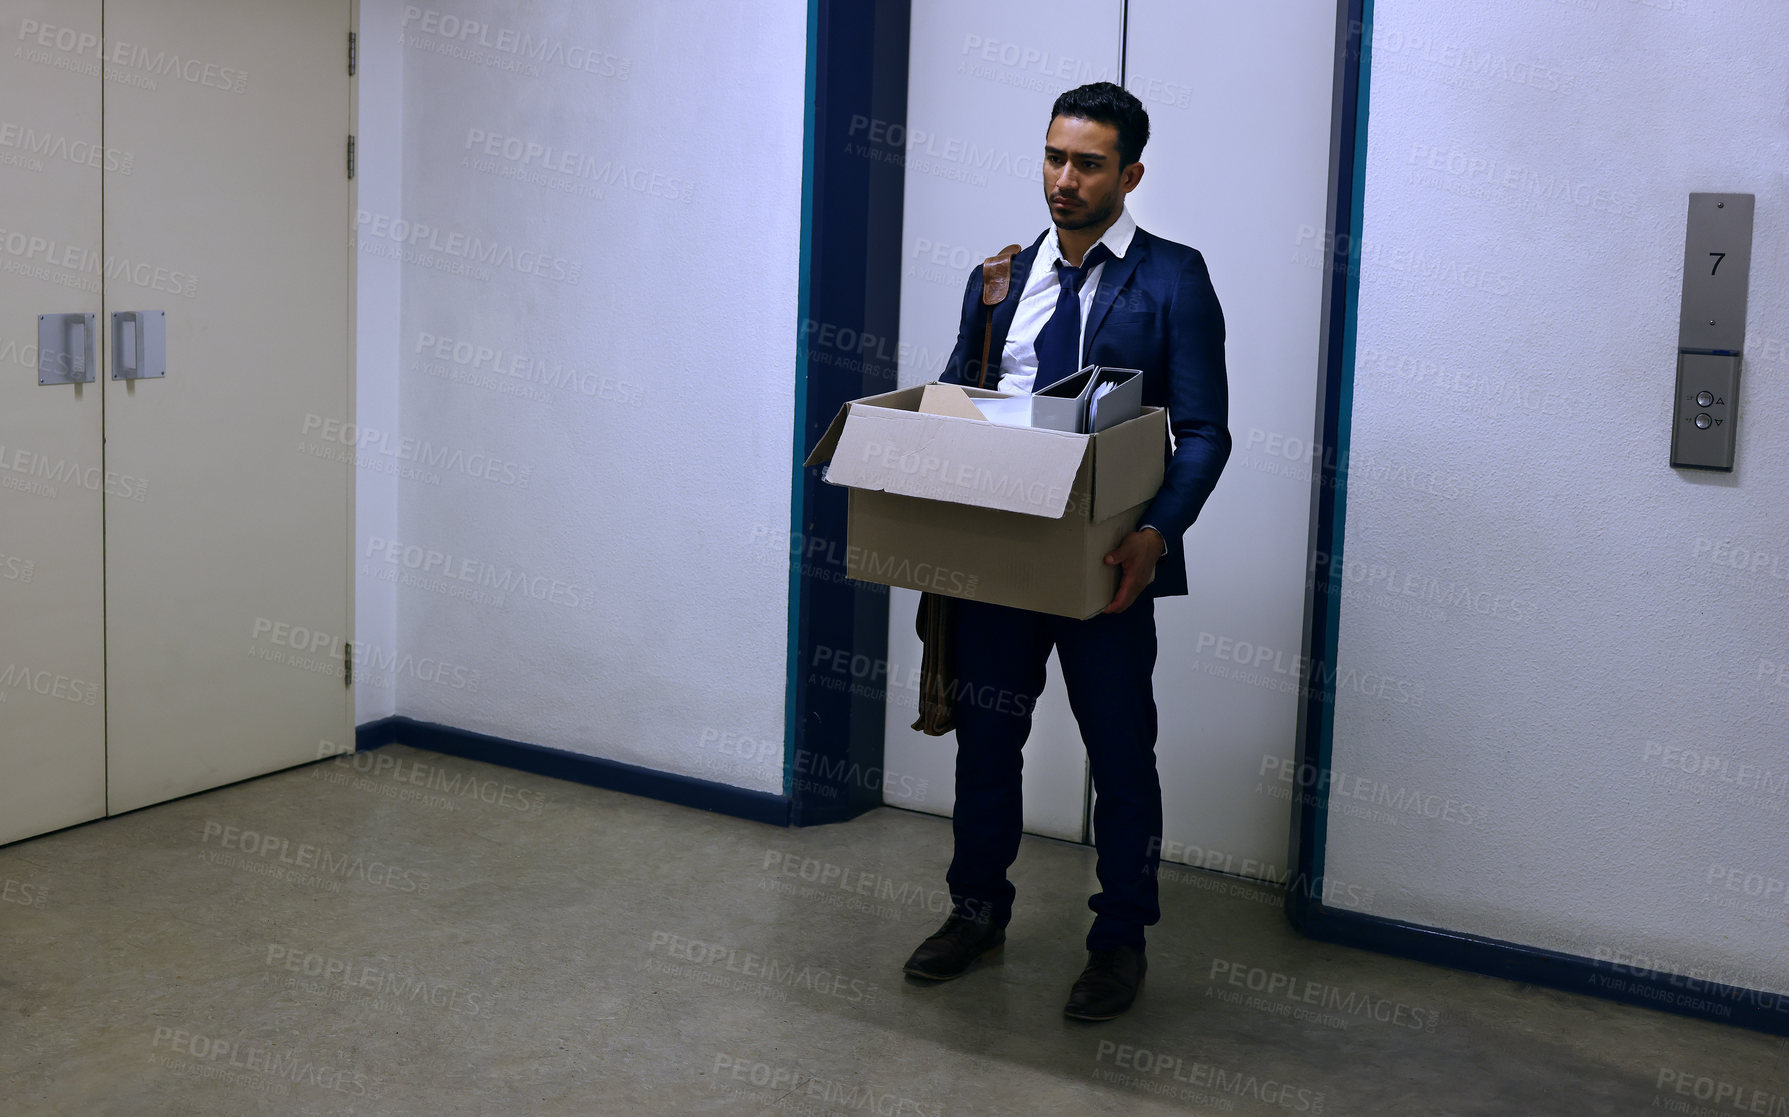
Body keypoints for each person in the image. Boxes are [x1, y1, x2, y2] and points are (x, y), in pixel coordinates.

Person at [901, 81, 1231, 1020]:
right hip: (1003, 556)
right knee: (986, 744)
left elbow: (1204, 429)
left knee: (1122, 755)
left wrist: (1154, 534)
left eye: (1087, 163)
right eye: (1053, 156)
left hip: (1108, 565)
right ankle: (975, 912)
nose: (1064, 179)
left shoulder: (1172, 277)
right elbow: (956, 400)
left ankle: (1118, 940)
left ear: (1129, 173)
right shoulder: (998, 276)